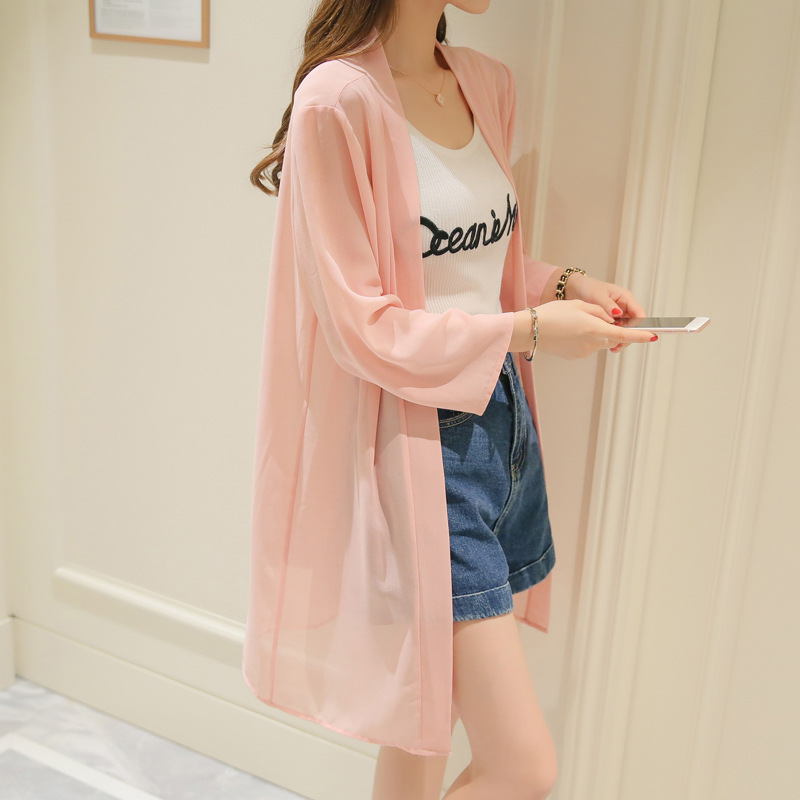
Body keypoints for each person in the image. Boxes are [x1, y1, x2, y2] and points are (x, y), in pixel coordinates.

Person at [244, 2, 657, 798]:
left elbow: (462, 272)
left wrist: (564, 286)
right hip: (418, 448)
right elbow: (363, 326)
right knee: (521, 767)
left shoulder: (484, 83)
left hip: (501, 428)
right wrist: (531, 330)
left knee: (421, 733)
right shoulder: (338, 101)